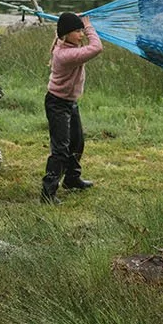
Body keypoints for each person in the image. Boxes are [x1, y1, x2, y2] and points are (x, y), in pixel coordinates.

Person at [43, 11, 101, 203]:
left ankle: (72, 179)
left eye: (81, 30)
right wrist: (89, 25)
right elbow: (97, 47)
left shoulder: (66, 42)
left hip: (69, 102)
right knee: (60, 149)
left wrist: (73, 19)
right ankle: (48, 193)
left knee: (77, 142)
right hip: (57, 103)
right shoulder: (66, 55)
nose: (82, 34)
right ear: (66, 34)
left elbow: (62, 27)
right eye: (77, 31)